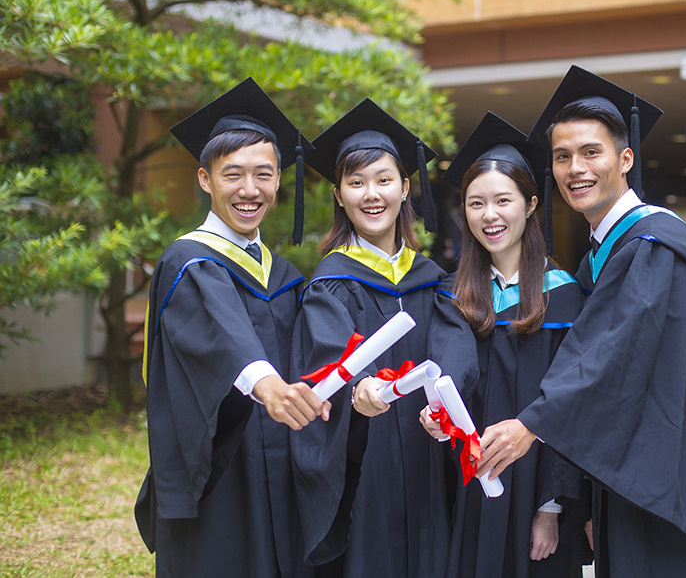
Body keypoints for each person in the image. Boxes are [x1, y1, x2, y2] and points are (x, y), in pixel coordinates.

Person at [476, 66, 686, 577]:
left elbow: (618, 354)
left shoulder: (653, 245)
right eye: (563, 156)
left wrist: (532, 423)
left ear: (625, 158)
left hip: (672, 466)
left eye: (592, 152)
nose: (576, 168)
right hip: (641, 461)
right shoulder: (608, 253)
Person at [135, 77, 328, 578]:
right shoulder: (189, 260)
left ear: (279, 180)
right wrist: (268, 386)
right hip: (221, 461)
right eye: (233, 174)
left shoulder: (283, 273)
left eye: (263, 174)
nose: (249, 190)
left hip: (283, 455)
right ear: (205, 179)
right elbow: (222, 331)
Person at [290, 98, 478, 577]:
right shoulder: (331, 281)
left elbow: (453, 344)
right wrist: (360, 386)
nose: (371, 194)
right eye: (356, 183)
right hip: (365, 457)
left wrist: (445, 399)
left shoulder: (430, 278)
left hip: (427, 449)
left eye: (383, 180)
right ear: (338, 195)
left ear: (405, 188)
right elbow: (329, 351)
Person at [425, 113, 590, 578]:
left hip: (534, 488)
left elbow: (568, 406)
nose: (489, 215)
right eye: (476, 203)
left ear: (531, 203)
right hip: (466, 484)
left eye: (503, 200)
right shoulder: (450, 295)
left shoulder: (564, 295)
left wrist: (551, 507)